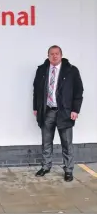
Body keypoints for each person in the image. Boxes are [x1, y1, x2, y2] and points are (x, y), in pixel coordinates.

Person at [33, 45, 83, 182]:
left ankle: (68, 169)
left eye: (57, 53)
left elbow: (79, 91)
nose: (54, 56)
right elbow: (36, 90)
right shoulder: (42, 70)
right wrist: (36, 107)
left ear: (61, 55)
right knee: (46, 141)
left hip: (65, 112)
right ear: (48, 55)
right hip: (47, 111)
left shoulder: (71, 71)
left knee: (67, 143)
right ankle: (46, 166)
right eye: (51, 54)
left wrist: (75, 110)